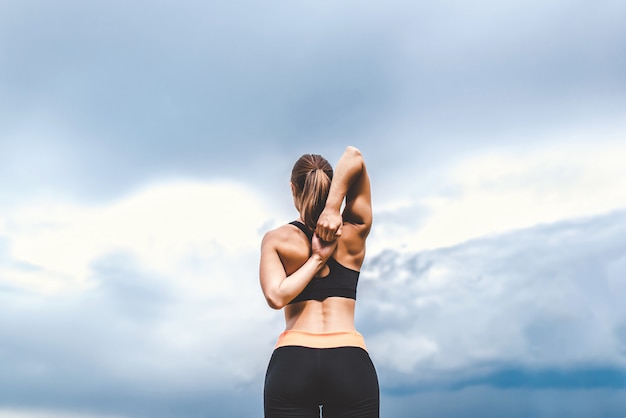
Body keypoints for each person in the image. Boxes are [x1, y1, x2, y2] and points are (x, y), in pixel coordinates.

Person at [260, 146, 379, 417]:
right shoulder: (355, 232)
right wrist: (334, 208)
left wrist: (314, 260)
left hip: (293, 362)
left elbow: (276, 297)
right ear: (330, 185)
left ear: (293, 189)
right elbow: (354, 156)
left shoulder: (277, 239)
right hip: (348, 360)